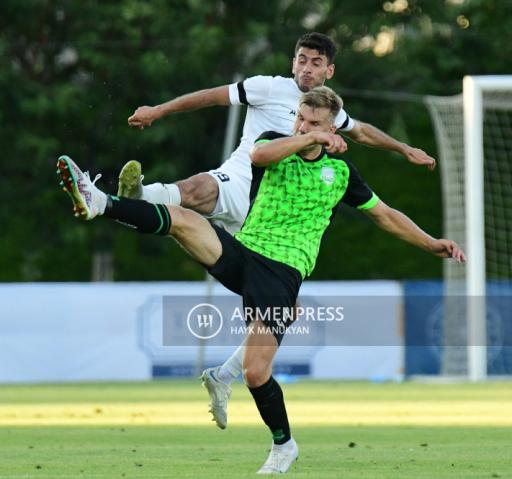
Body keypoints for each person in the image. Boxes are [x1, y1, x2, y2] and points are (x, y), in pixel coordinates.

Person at [56, 86, 464, 474]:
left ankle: (283, 443)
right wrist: (308, 138)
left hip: (283, 273)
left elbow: (386, 215)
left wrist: (430, 244)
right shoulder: (277, 142)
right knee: (184, 220)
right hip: (245, 253)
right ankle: (101, 202)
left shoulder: (341, 173)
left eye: (313, 123)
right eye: (301, 119)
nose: (302, 126)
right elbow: (260, 155)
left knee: (256, 372)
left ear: (333, 129)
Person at [122, 32, 438, 428]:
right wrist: (158, 110)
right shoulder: (267, 88)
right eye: (301, 60)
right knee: (197, 191)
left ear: (329, 70)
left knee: (283, 311)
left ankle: (224, 375)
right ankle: (139, 195)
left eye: (316, 63)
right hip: (244, 179)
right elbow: (208, 97)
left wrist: (403, 149)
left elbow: (362, 132)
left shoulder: (328, 111)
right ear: (293, 63)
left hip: (268, 215)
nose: (307, 68)